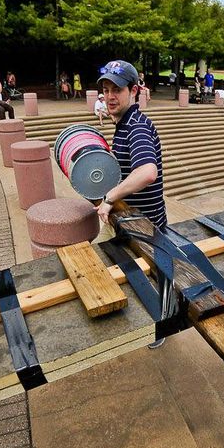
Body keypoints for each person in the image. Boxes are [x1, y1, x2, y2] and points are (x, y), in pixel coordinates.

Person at [95, 59, 168, 349]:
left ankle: (161, 326)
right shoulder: (124, 123)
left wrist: (110, 198)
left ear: (134, 90)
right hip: (135, 220)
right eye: (106, 90)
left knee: (156, 277)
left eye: (117, 90)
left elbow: (147, 172)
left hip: (146, 226)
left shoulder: (135, 127)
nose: (110, 96)